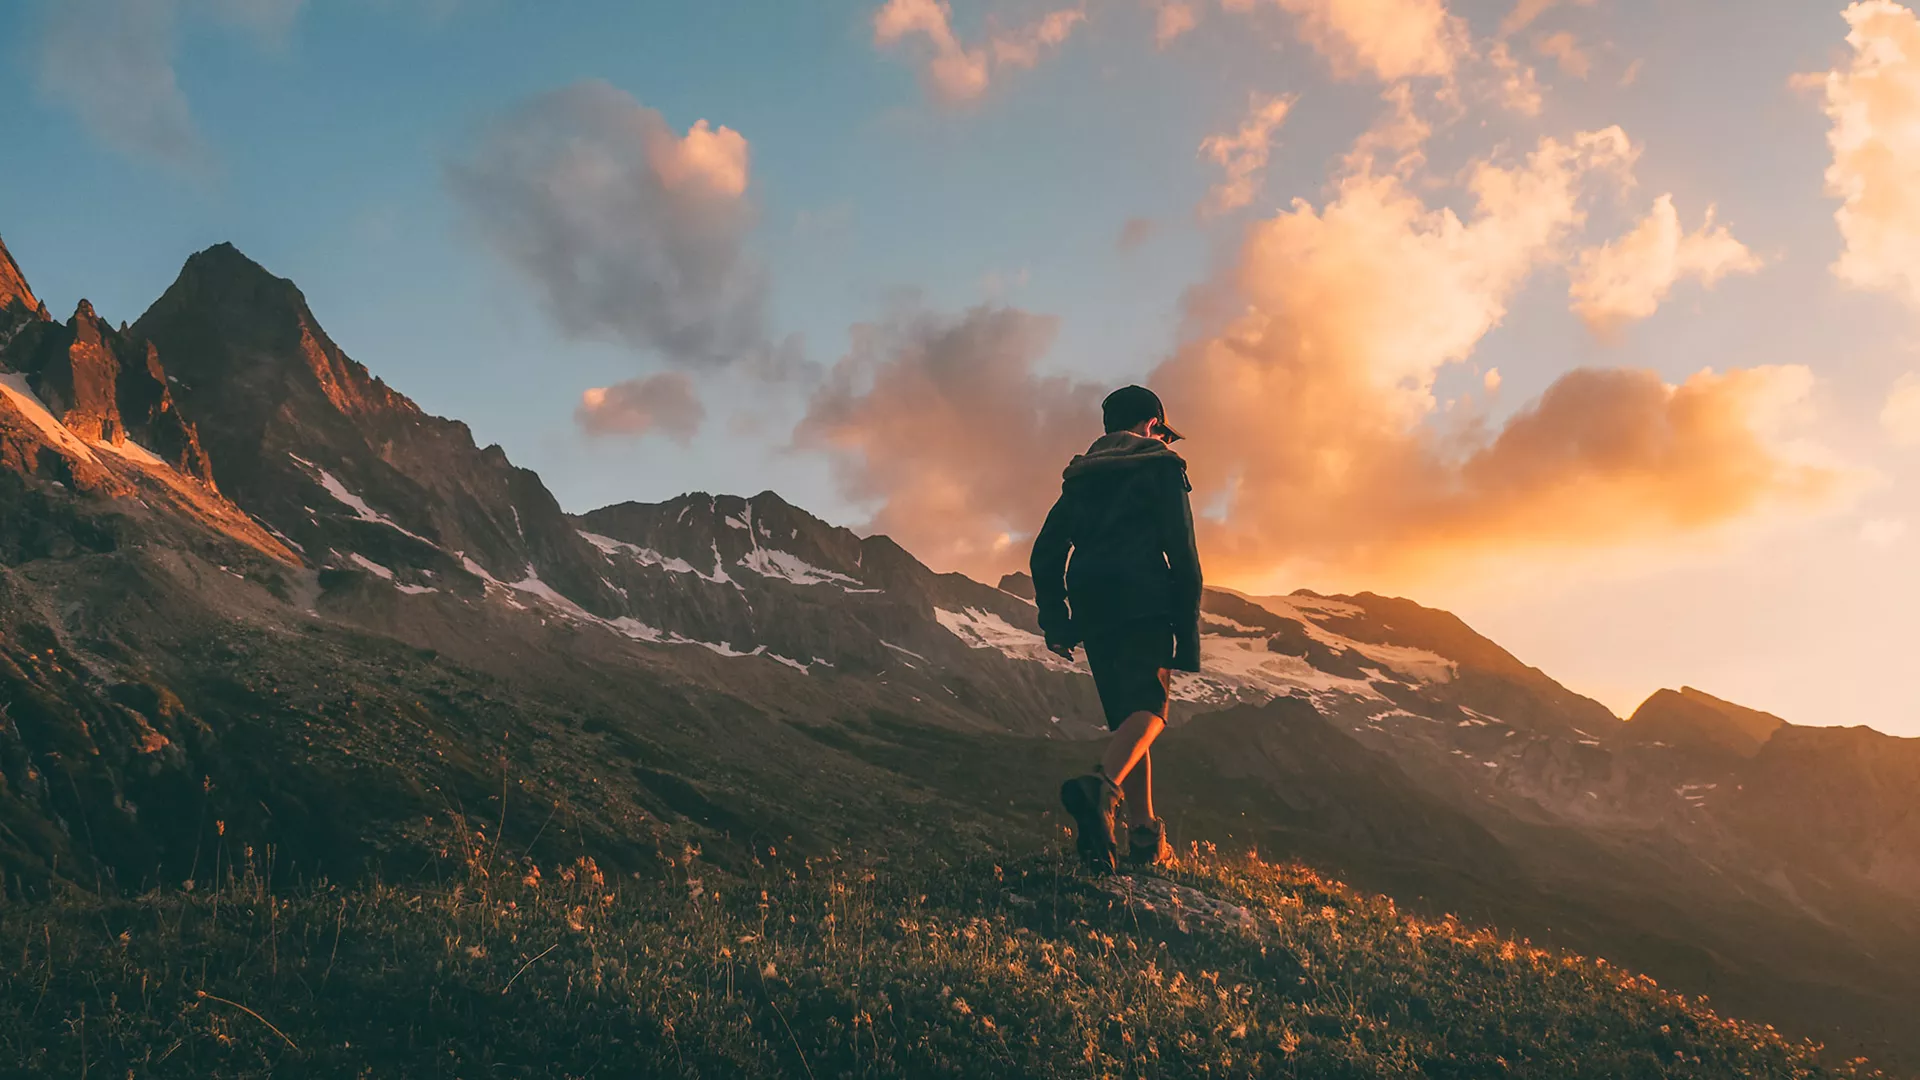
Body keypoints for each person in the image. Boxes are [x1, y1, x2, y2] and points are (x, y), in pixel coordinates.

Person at [1030, 384, 1202, 872]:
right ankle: (1101, 789)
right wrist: (1187, 635)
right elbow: (1182, 552)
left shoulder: (1081, 477)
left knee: (1130, 718)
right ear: (1152, 425)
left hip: (1091, 605)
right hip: (1144, 598)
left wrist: (1056, 619)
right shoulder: (1161, 467)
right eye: (1162, 431)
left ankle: (1144, 836)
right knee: (1151, 711)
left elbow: (1046, 551)